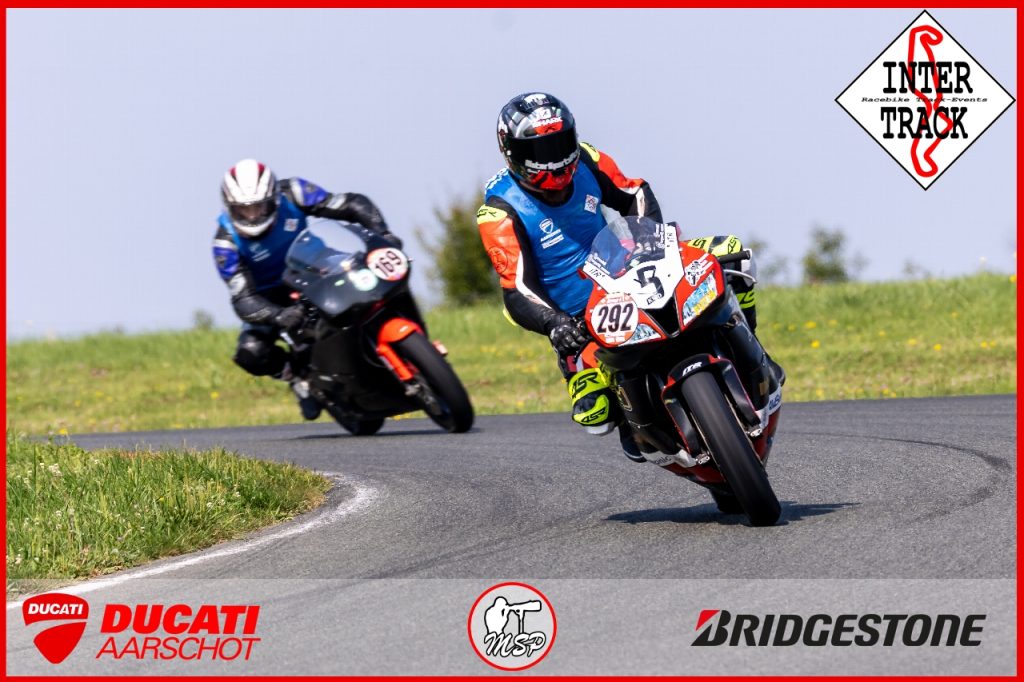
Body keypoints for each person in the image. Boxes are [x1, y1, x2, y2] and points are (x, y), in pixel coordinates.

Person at [476, 92, 781, 462]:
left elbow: (635, 192)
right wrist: (556, 325)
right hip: (579, 319)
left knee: (732, 253)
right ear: (512, 152)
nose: (554, 160)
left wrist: (652, 245)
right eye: (539, 151)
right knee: (596, 413)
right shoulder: (498, 211)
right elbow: (517, 289)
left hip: (631, 273)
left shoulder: (587, 159)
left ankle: (753, 351)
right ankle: (642, 429)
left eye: (559, 144)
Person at [212, 158, 401, 420]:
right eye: (244, 210)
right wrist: (278, 315)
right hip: (269, 296)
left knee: (371, 282)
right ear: (230, 207)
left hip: (316, 264)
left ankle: (400, 337)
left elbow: (350, 204)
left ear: (273, 199)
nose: (253, 216)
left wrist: (383, 233)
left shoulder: (295, 192)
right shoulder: (225, 245)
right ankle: (297, 378)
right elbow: (242, 298)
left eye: (259, 207)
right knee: (250, 353)